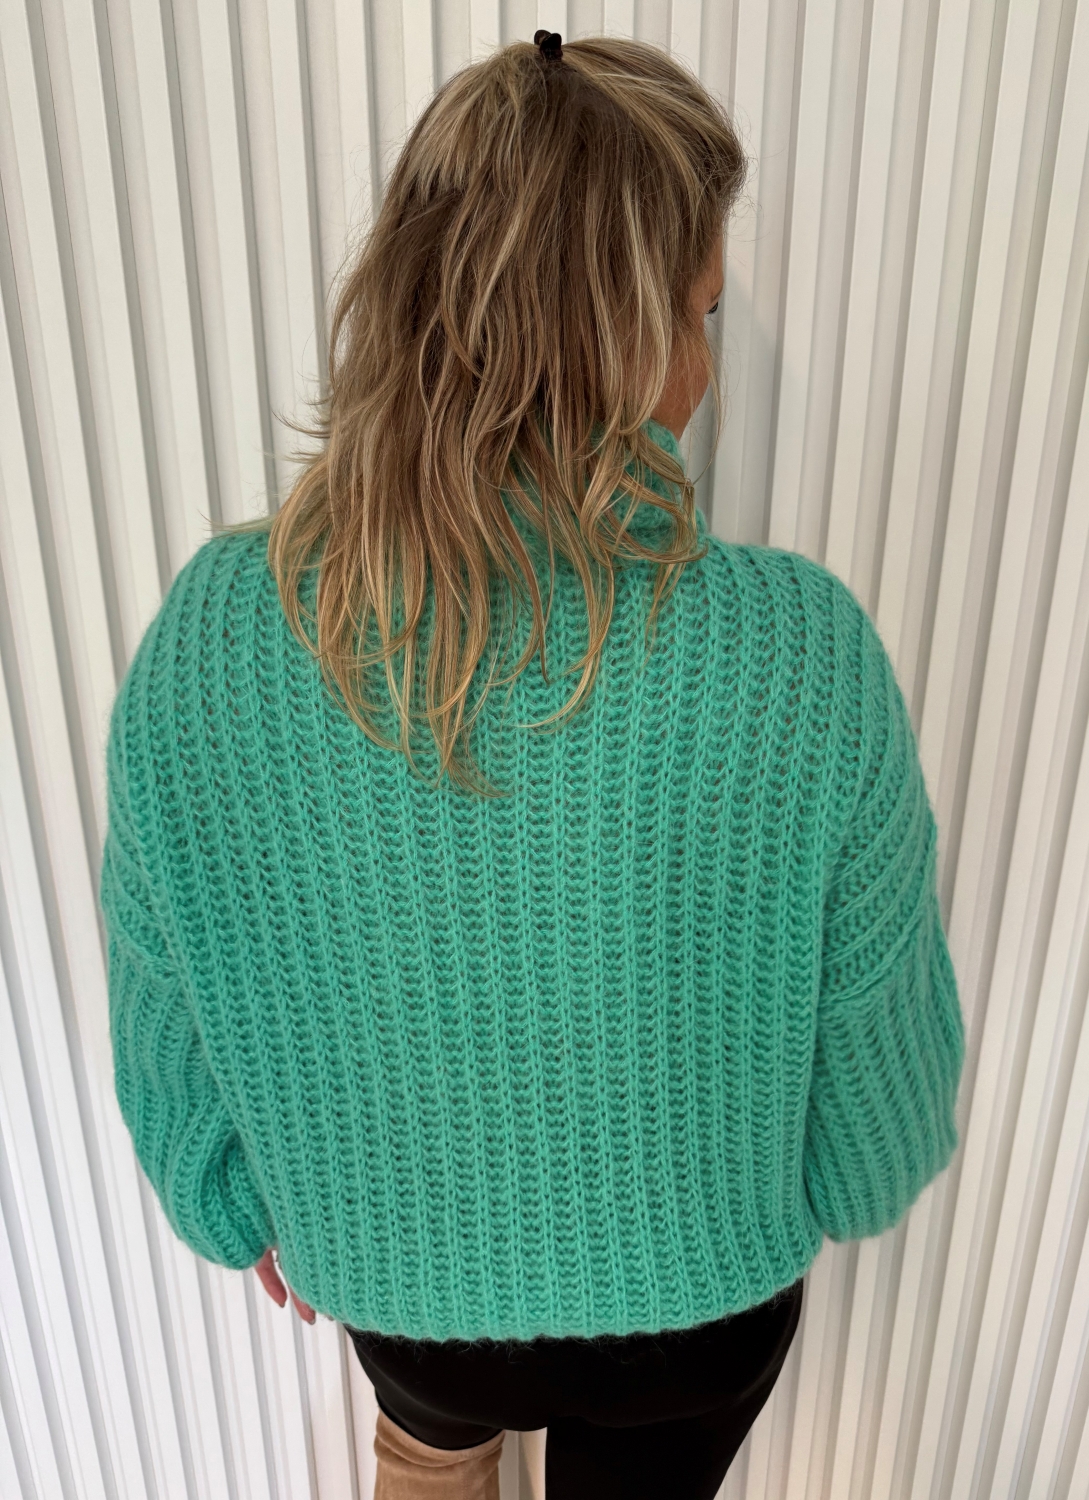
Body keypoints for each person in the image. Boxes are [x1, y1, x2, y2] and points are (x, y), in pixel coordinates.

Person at [98, 28, 965, 1500]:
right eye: (697, 315)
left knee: (431, 1441)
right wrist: (806, 1187)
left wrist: (248, 1200)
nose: (705, 366)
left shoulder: (217, 637)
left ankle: (432, 1455)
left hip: (399, 1295)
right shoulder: (800, 655)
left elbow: (164, 1011)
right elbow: (876, 1120)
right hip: (697, 1315)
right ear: (619, 336)